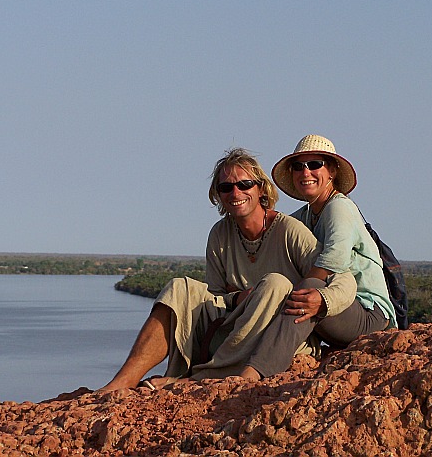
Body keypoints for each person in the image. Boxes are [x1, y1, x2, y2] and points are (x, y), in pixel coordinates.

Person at [101, 147, 355, 390]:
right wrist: (239, 297)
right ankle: (124, 380)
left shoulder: (289, 230)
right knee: (180, 287)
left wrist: (322, 300)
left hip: (274, 339)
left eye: (244, 185)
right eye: (226, 187)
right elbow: (216, 295)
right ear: (218, 195)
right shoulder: (220, 233)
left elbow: (342, 277)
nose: (236, 193)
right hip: (234, 329)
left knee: (276, 284)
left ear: (261, 189)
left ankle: (203, 377)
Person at [239, 134, 397, 381]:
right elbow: (278, 240)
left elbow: (334, 259)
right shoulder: (305, 216)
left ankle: (255, 371)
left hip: (367, 312)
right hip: (337, 313)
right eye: (298, 166)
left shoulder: (339, 207)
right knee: (279, 290)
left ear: (332, 170)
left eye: (314, 165)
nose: (306, 172)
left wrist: (296, 292)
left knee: (308, 289)